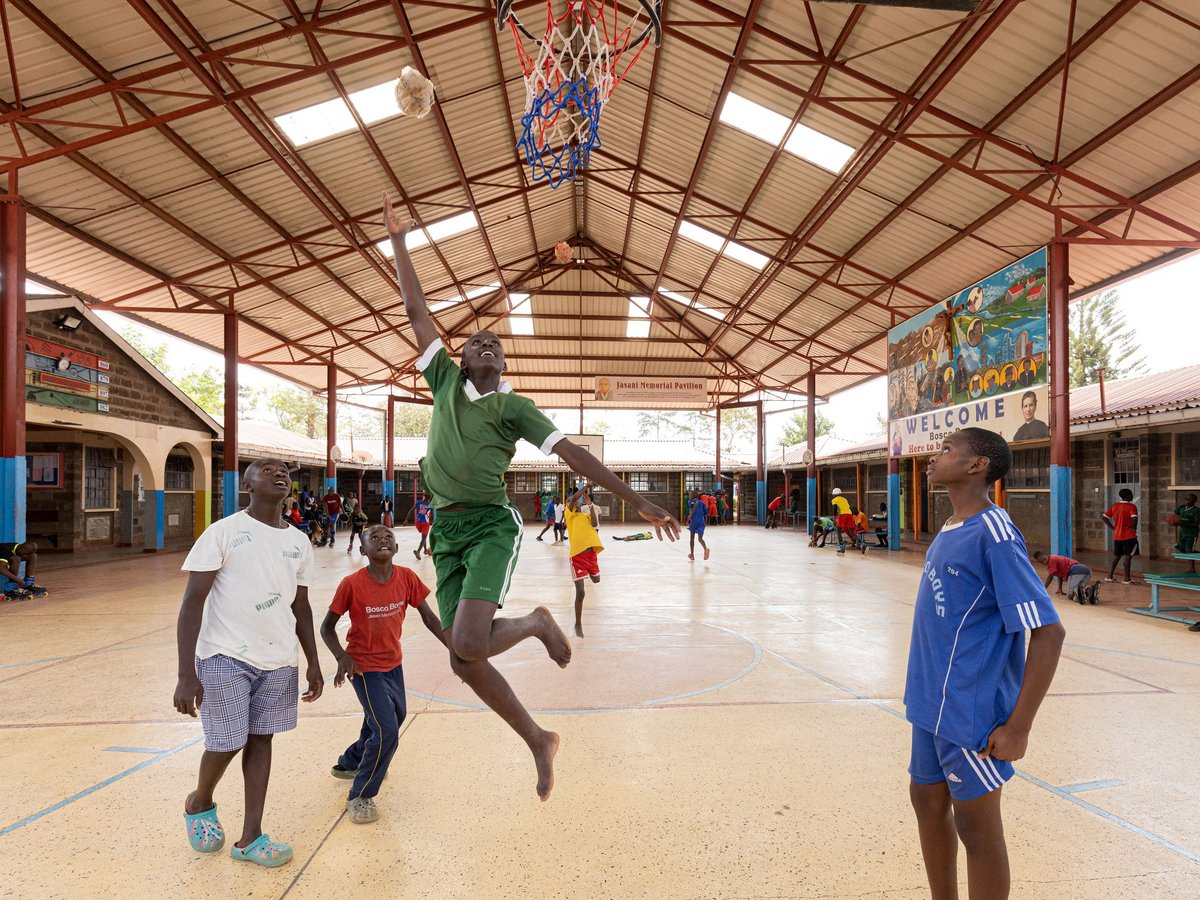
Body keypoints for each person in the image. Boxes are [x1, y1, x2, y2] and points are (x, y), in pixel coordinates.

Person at [383, 193, 680, 800]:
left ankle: (538, 622)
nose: (486, 344)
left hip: (491, 525)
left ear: (503, 362)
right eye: (476, 341)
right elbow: (415, 308)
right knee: (462, 659)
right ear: (461, 358)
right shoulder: (443, 380)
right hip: (446, 530)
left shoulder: (514, 406)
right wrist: (400, 240)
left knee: (467, 644)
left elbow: (573, 454)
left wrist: (635, 497)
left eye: (496, 342)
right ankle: (538, 738)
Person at [905, 428, 1065, 900]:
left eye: (946, 450)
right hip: (930, 704)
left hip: (969, 709)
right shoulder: (952, 527)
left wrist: (1019, 727)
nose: (934, 457)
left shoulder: (995, 534)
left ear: (977, 466)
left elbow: (1049, 631)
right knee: (926, 802)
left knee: (976, 827)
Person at [173, 458, 324, 868]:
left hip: (278, 658)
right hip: (225, 654)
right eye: (267, 470)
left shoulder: (299, 542)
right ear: (248, 484)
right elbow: (192, 603)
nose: (280, 474)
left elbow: (301, 606)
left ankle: (251, 837)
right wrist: (186, 674)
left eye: (284, 472)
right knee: (227, 740)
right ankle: (199, 801)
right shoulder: (223, 533)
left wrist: (312, 661)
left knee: (261, 739)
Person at [320, 525, 445, 824]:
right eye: (373, 538)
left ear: (397, 548)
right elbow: (326, 627)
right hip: (364, 667)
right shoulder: (351, 584)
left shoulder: (407, 577)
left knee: (389, 720)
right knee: (387, 730)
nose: (382, 540)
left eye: (388, 536)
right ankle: (360, 794)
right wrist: (342, 656)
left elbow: (429, 618)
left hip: (393, 664)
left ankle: (351, 761)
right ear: (363, 550)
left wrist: (454, 648)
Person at [563, 481, 603, 637]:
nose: (573, 501)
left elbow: (595, 523)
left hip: (591, 556)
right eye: (569, 501)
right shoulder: (570, 515)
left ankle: (589, 573)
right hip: (578, 557)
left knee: (596, 580)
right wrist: (586, 486)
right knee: (581, 592)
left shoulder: (585, 515)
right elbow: (573, 499)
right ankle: (578, 623)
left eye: (575, 500)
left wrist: (590, 505)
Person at [1102, 488, 1139, 584]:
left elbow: (1104, 517)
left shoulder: (1115, 506)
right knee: (1127, 557)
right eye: (1131, 494)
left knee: (1116, 556)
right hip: (1129, 536)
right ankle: (1126, 579)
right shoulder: (1132, 506)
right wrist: (1133, 529)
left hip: (1117, 536)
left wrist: (1113, 528)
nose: (1132, 496)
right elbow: (1134, 519)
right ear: (1128, 496)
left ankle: (1109, 576)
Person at [1033, 550, 1098, 605]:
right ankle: (1091, 591)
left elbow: (1050, 577)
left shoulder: (1052, 560)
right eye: (1042, 562)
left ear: (1046, 555)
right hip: (1087, 571)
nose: (1044, 562)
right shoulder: (1053, 558)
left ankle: (1082, 595)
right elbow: (1059, 575)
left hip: (1077, 571)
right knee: (1077, 591)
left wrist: (1043, 589)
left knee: (1070, 595)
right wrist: (1060, 588)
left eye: (1044, 559)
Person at [831, 488, 864, 555]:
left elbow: (835, 508)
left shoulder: (834, 500)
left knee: (838, 531)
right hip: (850, 514)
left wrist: (834, 519)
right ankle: (862, 544)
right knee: (852, 532)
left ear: (834, 494)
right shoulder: (844, 499)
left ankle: (842, 548)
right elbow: (849, 508)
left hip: (843, 515)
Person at [1172, 493, 1199, 575]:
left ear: (1195, 501)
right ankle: (1197, 554)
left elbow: (1196, 524)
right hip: (1183, 532)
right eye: (1186, 498)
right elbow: (1174, 516)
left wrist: (1181, 523)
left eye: (1189, 499)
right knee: (1180, 547)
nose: (1187, 500)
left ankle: (1192, 568)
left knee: (1189, 550)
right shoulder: (1181, 508)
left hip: (1192, 533)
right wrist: (1173, 521)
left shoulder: (1196, 511)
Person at [402, 492, 433, 559]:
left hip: (418, 522)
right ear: (430, 497)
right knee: (424, 537)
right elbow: (432, 515)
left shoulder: (418, 502)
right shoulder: (430, 505)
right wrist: (432, 521)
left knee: (423, 537)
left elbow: (411, 511)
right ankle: (418, 551)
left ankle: (425, 550)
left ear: (424, 495)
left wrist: (406, 520)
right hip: (425, 523)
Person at [686, 489, 710, 562]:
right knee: (700, 539)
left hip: (694, 521)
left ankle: (692, 555)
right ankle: (705, 548)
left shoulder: (691, 501)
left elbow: (695, 505)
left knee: (692, 537)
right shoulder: (702, 503)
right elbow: (706, 512)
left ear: (692, 496)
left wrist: (691, 515)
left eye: (690, 495)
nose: (689, 496)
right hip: (701, 522)